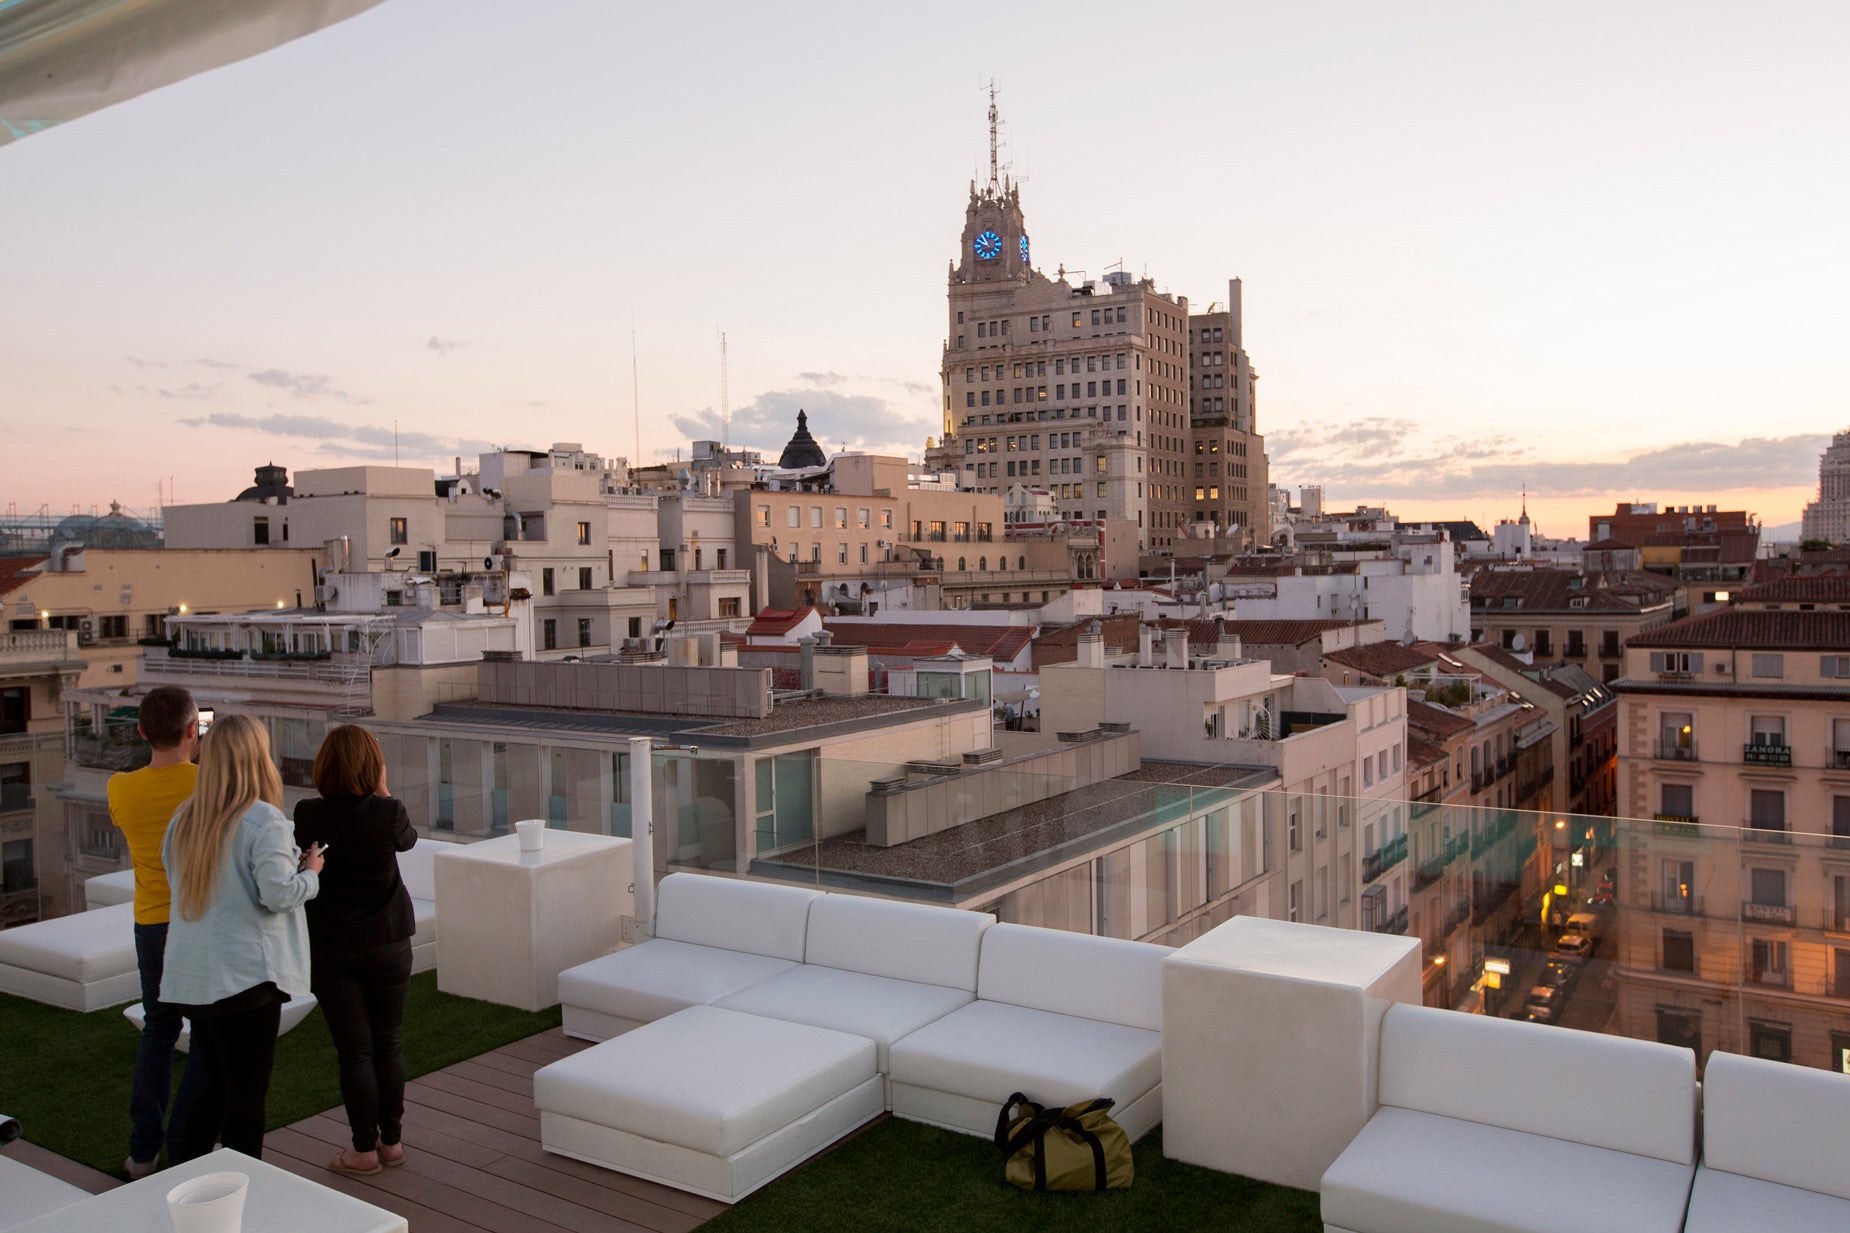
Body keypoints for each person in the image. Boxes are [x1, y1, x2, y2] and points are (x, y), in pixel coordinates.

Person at [161, 714, 321, 1163]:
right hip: (246, 979)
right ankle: (243, 1185)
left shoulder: (184, 819)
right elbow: (278, 894)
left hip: (196, 977)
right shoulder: (263, 820)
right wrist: (311, 873)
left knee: (210, 1088)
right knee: (245, 1097)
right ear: (257, 757)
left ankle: (188, 1176)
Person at [293, 724, 417, 1176]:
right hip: (389, 942)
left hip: (333, 948)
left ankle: (363, 1149)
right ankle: (392, 1142)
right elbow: (408, 840)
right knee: (388, 1040)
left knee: (355, 1051)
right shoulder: (389, 812)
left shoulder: (308, 814)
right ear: (373, 767)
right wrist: (382, 789)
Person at [107, 685, 210, 1178]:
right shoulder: (209, 784)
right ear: (193, 729)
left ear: (142, 732)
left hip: (151, 924)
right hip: (202, 921)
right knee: (207, 1034)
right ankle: (193, 1143)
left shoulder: (120, 789)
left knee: (158, 1031)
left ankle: (143, 1153)